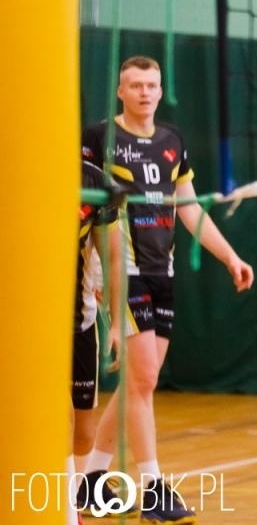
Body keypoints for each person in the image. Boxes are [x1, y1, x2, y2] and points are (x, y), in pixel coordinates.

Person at [80, 56, 254, 523]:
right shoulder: (98, 138)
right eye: (134, 85)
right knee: (144, 381)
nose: (143, 92)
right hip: (125, 270)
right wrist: (93, 272)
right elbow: (84, 204)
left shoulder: (172, 140)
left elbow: (189, 208)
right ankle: (153, 490)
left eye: (151, 85)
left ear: (161, 90)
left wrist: (230, 256)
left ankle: (91, 478)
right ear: (120, 91)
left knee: (141, 379)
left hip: (163, 270)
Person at [72, 158, 122, 513]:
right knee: (54, 420)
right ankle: (65, 512)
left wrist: (117, 322)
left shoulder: (93, 181)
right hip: (28, 326)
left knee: (82, 433)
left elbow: (114, 257)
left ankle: (74, 496)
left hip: (79, 322)